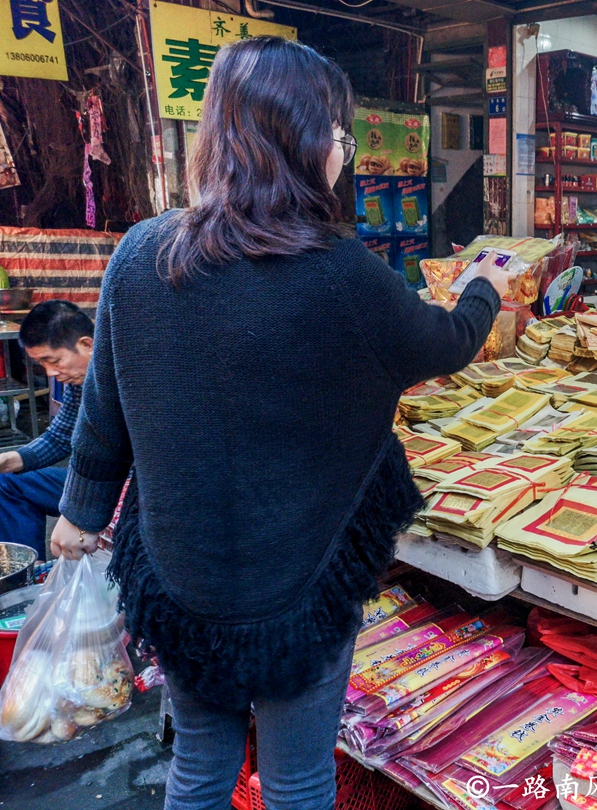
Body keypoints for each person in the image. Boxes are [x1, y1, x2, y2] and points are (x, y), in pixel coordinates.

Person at [50, 37, 507, 810]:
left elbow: (106, 407)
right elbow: (445, 344)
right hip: (304, 582)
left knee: (199, 765)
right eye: (338, 131)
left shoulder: (140, 257)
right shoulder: (342, 272)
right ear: (301, 141)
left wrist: (79, 513)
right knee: (297, 780)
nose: (344, 150)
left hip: (180, 574)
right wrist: (483, 288)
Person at [0, 300, 93, 559]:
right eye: (43, 364)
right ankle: (27, 576)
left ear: (87, 345)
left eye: (54, 360)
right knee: (6, 482)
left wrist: (79, 511)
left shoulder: (135, 380)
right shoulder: (80, 378)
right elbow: (61, 435)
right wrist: (9, 460)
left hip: (129, 489)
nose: (51, 373)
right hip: (88, 479)